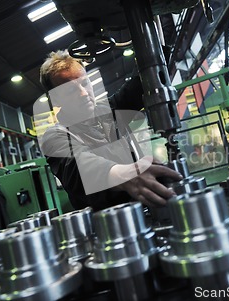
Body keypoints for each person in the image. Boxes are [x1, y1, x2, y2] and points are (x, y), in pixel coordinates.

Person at [37, 50, 182, 211]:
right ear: (55, 98)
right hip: (107, 224)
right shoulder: (55, 137)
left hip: (146, 208)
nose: (84, 94)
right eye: (71, 90)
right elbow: (79, 167)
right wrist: (126, 175)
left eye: (85, 83)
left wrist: (153, 42)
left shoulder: (110, 111)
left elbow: (140, 83)